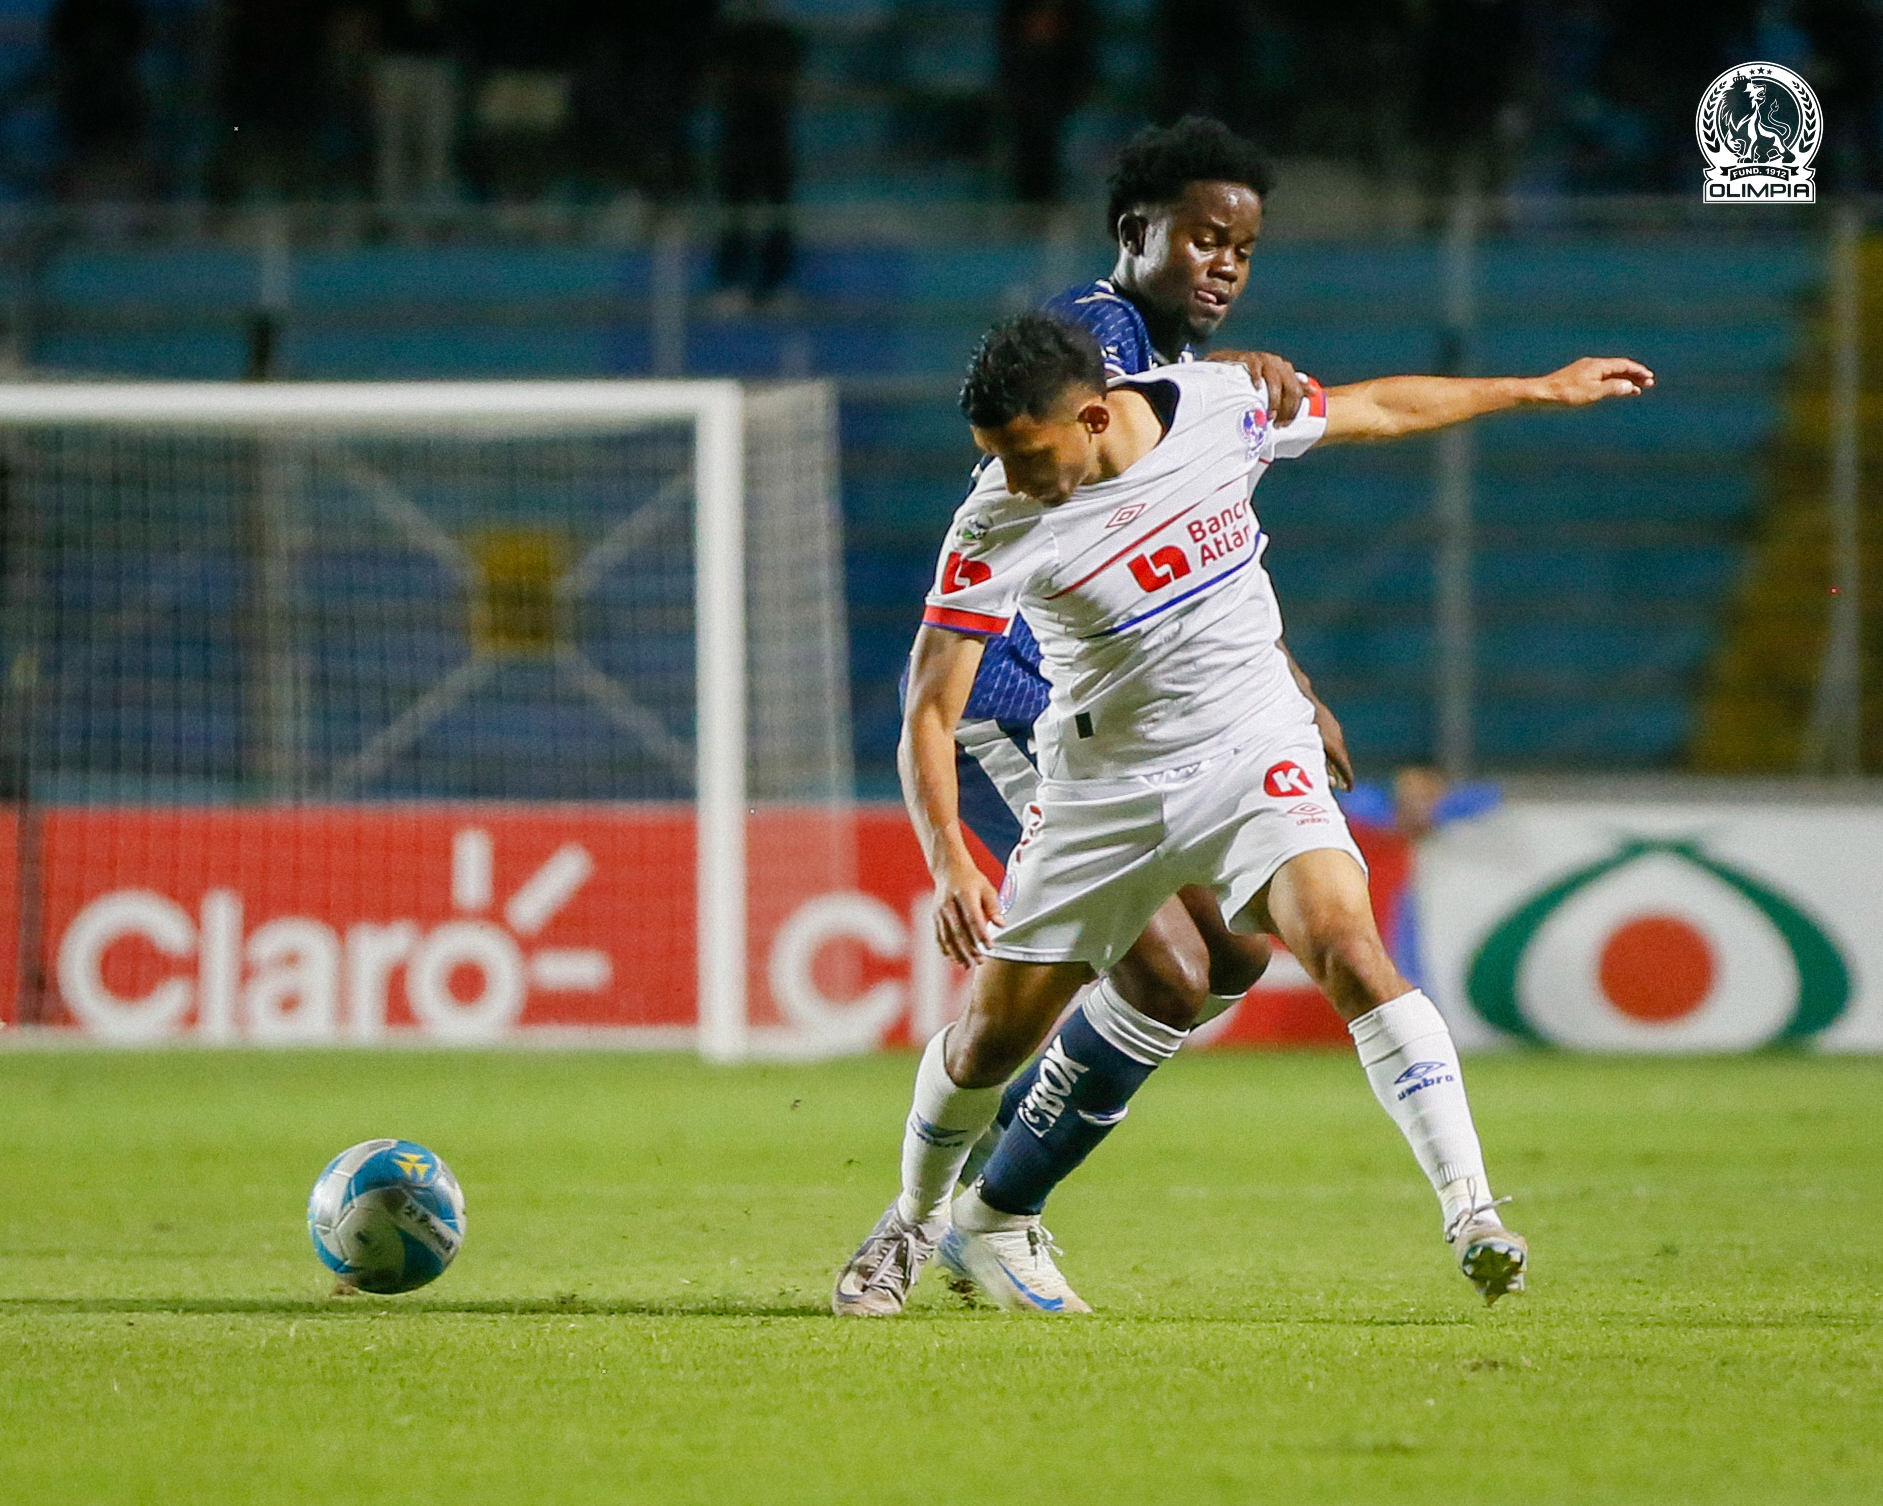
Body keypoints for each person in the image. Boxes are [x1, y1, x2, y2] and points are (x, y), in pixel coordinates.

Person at [834, 313, 1653, 1316]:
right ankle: (915, 1220)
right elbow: (929, 707)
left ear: (1093, 415)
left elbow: (1377, 408)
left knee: (1346, 949)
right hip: (1104, 786)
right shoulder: (994, 520)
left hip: (1250, 750)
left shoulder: (1220, 411)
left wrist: (1536, 386)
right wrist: (950, 863)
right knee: (989, 1045)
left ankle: (1472, 1212)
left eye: (1022, 449)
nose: (1006, 472)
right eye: (991, 454)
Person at [916, 118, 1342, 1304]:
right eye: (1199, 238)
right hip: (1020, 693)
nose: (1220, 263)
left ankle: (986, 1199)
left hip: (1136, 701)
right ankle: (972, 1213)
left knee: (1237, 957)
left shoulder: (1173, 363)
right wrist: (1230, 373)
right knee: (1162, 975)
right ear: (1131, 233)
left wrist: (1286, 689)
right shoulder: (1093, 335)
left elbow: (1192, 550)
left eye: (1239, 248)